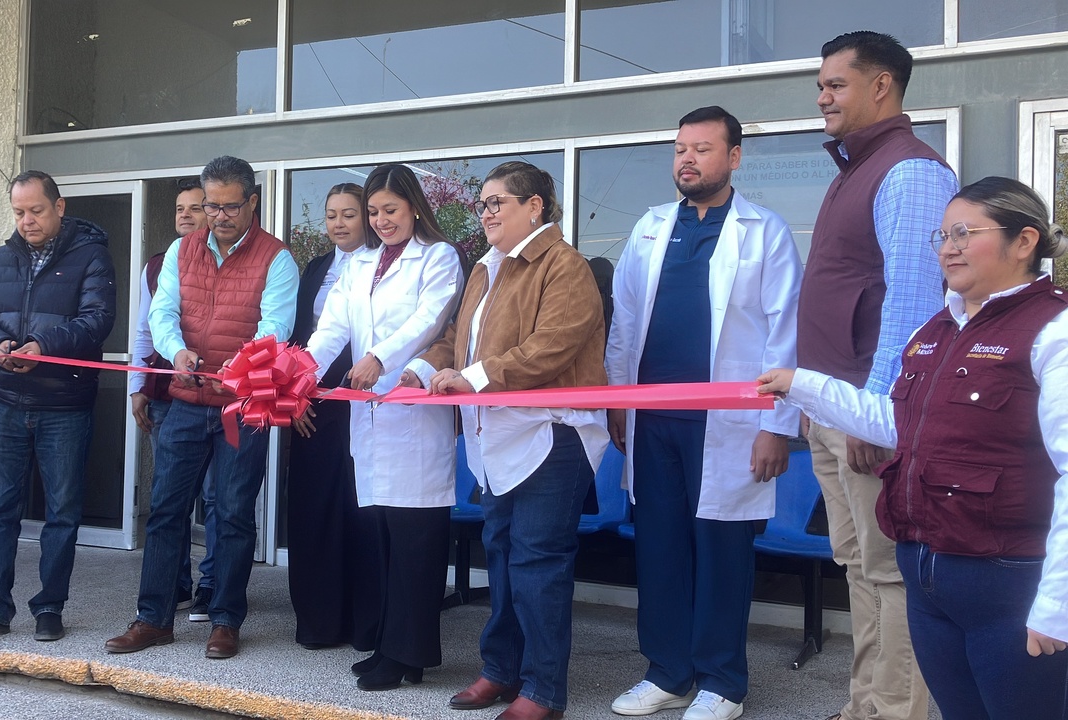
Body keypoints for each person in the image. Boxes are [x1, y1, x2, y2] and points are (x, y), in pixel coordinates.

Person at [759, 176, 1068, 720]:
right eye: (941, 236)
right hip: (927, 577)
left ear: (1024, 241)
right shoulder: (935, 331)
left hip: (1007, 583)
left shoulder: (1053, 330)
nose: (948, 248)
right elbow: (896, 422)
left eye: (964, 233)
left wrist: (1057, 605)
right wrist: (802, 385)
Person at [604, 107, 801, 720]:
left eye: (703, 149)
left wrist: (776, 426)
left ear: (734, 157)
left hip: (729, 422)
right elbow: (624, 320)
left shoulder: (765, 231)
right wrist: (617, 399)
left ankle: (722, 682)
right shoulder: (650, 227)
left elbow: (785, 331)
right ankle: (667, 672)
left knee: (721, 551)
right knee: (659, 546)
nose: (687, 159)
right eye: (680, 149)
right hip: (653, 417)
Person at [405, 161, 609, 720]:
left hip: (551, 436)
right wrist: (422, 370)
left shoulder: (565, 266)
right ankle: (502, 669)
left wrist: (472, 377)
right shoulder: (486, 268)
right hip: (494, 437)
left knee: (538, 563)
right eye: (483, 204)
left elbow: (552, 346)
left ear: (535, 206)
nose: (486, 213)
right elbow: (457, 338)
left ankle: (543, 691)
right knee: (500, 557)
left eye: (497, 202)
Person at [798, 31, 959, 720]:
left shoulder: (910, 171)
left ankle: (895, 712)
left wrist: (879, 414)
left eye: (836, 84)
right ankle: (863, 707)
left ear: (882, 85)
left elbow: (915, 304)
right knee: (859, 567)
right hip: (833, 409)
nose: (823, 97)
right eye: (821, 85)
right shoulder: (854, 170)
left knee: (891, 575)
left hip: (869, 414)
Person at [105, 155, 299, 660]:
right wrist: (176, 352)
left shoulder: (277, 258)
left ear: (252, 202)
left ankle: (226, 620)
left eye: (230, 206)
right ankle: (153, 618)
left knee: (232, 513)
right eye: (211, 206)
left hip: (242, 409)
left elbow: (275, 327)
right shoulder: (181, 249)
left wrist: (242, 362)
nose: (218, 216)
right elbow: (162, 311)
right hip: (187, 402)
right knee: (166, 510)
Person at [304, 163, 463, 691]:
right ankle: (393, 649)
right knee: (384, 539)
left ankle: (409, 653)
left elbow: (429, 321)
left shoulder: (438, 257)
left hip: (415, 414)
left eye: (389, 209)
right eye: (373, 211)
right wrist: (300, 371)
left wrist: (378, 357)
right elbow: (332, 327)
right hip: (371, 416)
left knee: (416, 541)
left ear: (414, 206)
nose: (380, 220)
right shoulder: (360, 263)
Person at [0, 171, 116, 646]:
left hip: (64, 405)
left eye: (36, 210)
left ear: (59, 207)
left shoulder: (91, 255)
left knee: (62, 511)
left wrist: (42, 347)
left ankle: (50, 607)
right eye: (19, 212)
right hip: (7, 400)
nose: (27, 220)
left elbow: (97, 319)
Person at [286, 182, 380, 650]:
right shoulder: (316, 268)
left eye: (349, 214)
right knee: (315, 509)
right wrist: (294, 397)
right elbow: (301, 337)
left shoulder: (384, 264)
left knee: (361, 510)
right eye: (330, 215)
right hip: (313, 405)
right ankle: (319, 622)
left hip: (366, 400)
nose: (338, 224)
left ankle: (365, 624)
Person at [128, 177, 209, 616]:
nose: (185, 215)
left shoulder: (226, 263)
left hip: (215, 397)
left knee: (215, 498)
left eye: (195, 207)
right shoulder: (157, 266)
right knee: (169, 497)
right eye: (180, 208)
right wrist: (138, 387)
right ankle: (176, 585)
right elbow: (145, 330)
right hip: (164, 397)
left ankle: (212, 586)